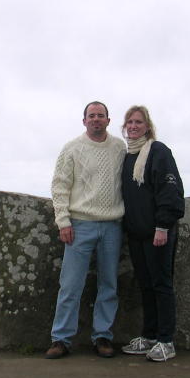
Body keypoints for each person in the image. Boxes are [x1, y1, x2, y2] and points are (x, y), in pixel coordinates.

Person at [45, 101, 126, 359]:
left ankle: (102, 336)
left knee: (109, 285)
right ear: (84, 121)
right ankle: (61, 338)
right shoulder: (71, 148)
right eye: (91, 116)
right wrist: (64, 222)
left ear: (108, 121)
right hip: (80, 225)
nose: (96, 120)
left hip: (112, 225)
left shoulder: (119, 148)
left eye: (100, 116)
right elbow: (60, 186)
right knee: (70, 285)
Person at [120, 105, 185, 362]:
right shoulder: (128, 158)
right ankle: (148, 336)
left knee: (161, 284)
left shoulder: (158, 152)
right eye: (130, 122)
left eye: (139, 122)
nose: (134, 126)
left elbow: (170, 192)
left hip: (158, 232)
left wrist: (162, 226)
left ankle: (166, 340)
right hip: (136, 233)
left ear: (148, 127)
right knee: (146, 285)